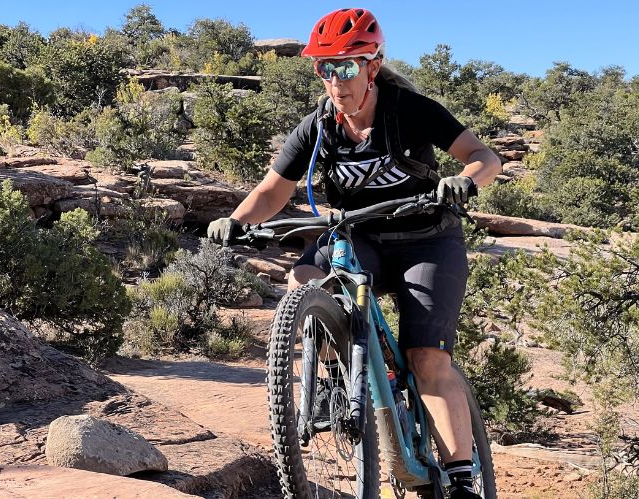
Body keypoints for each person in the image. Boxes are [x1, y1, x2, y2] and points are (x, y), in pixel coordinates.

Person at [208, 8, 501, 499]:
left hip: (425, 239)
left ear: (373, 64)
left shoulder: (409, 109)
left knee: (427, 357)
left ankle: (460, 476)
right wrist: (236, 221)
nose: (335, 79)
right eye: (325, 68)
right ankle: (332, 382)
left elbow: (484, 157)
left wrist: (464, 182)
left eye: (346, 66)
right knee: (303, 281)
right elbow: (271, 191)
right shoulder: (317, 127)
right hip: (357, 236)